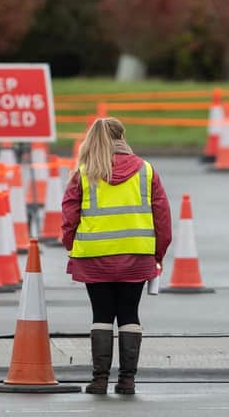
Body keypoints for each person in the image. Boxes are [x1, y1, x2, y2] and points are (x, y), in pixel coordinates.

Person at [62, 117, 172, 395]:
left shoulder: (84, 173)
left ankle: (99, 380)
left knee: (101, 314)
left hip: (94, 257)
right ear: (122, 137)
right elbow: (163, 218)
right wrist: (157, 254)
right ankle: (127, 380)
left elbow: (69, 217)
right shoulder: (146, 171)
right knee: (129, 314)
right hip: (136, 257)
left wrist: (70, 246)